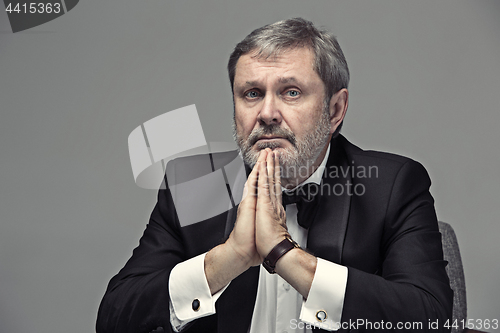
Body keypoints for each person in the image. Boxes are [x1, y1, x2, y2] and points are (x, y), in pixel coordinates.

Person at [96, 18, 453, 333]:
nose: (267, 113)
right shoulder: (192, 188)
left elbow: (430, 318)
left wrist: (284, 255)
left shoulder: (392, 186)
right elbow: (114, 315)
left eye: (290, 92)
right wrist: (228, 259)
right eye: (252, 94)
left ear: (335, 110)